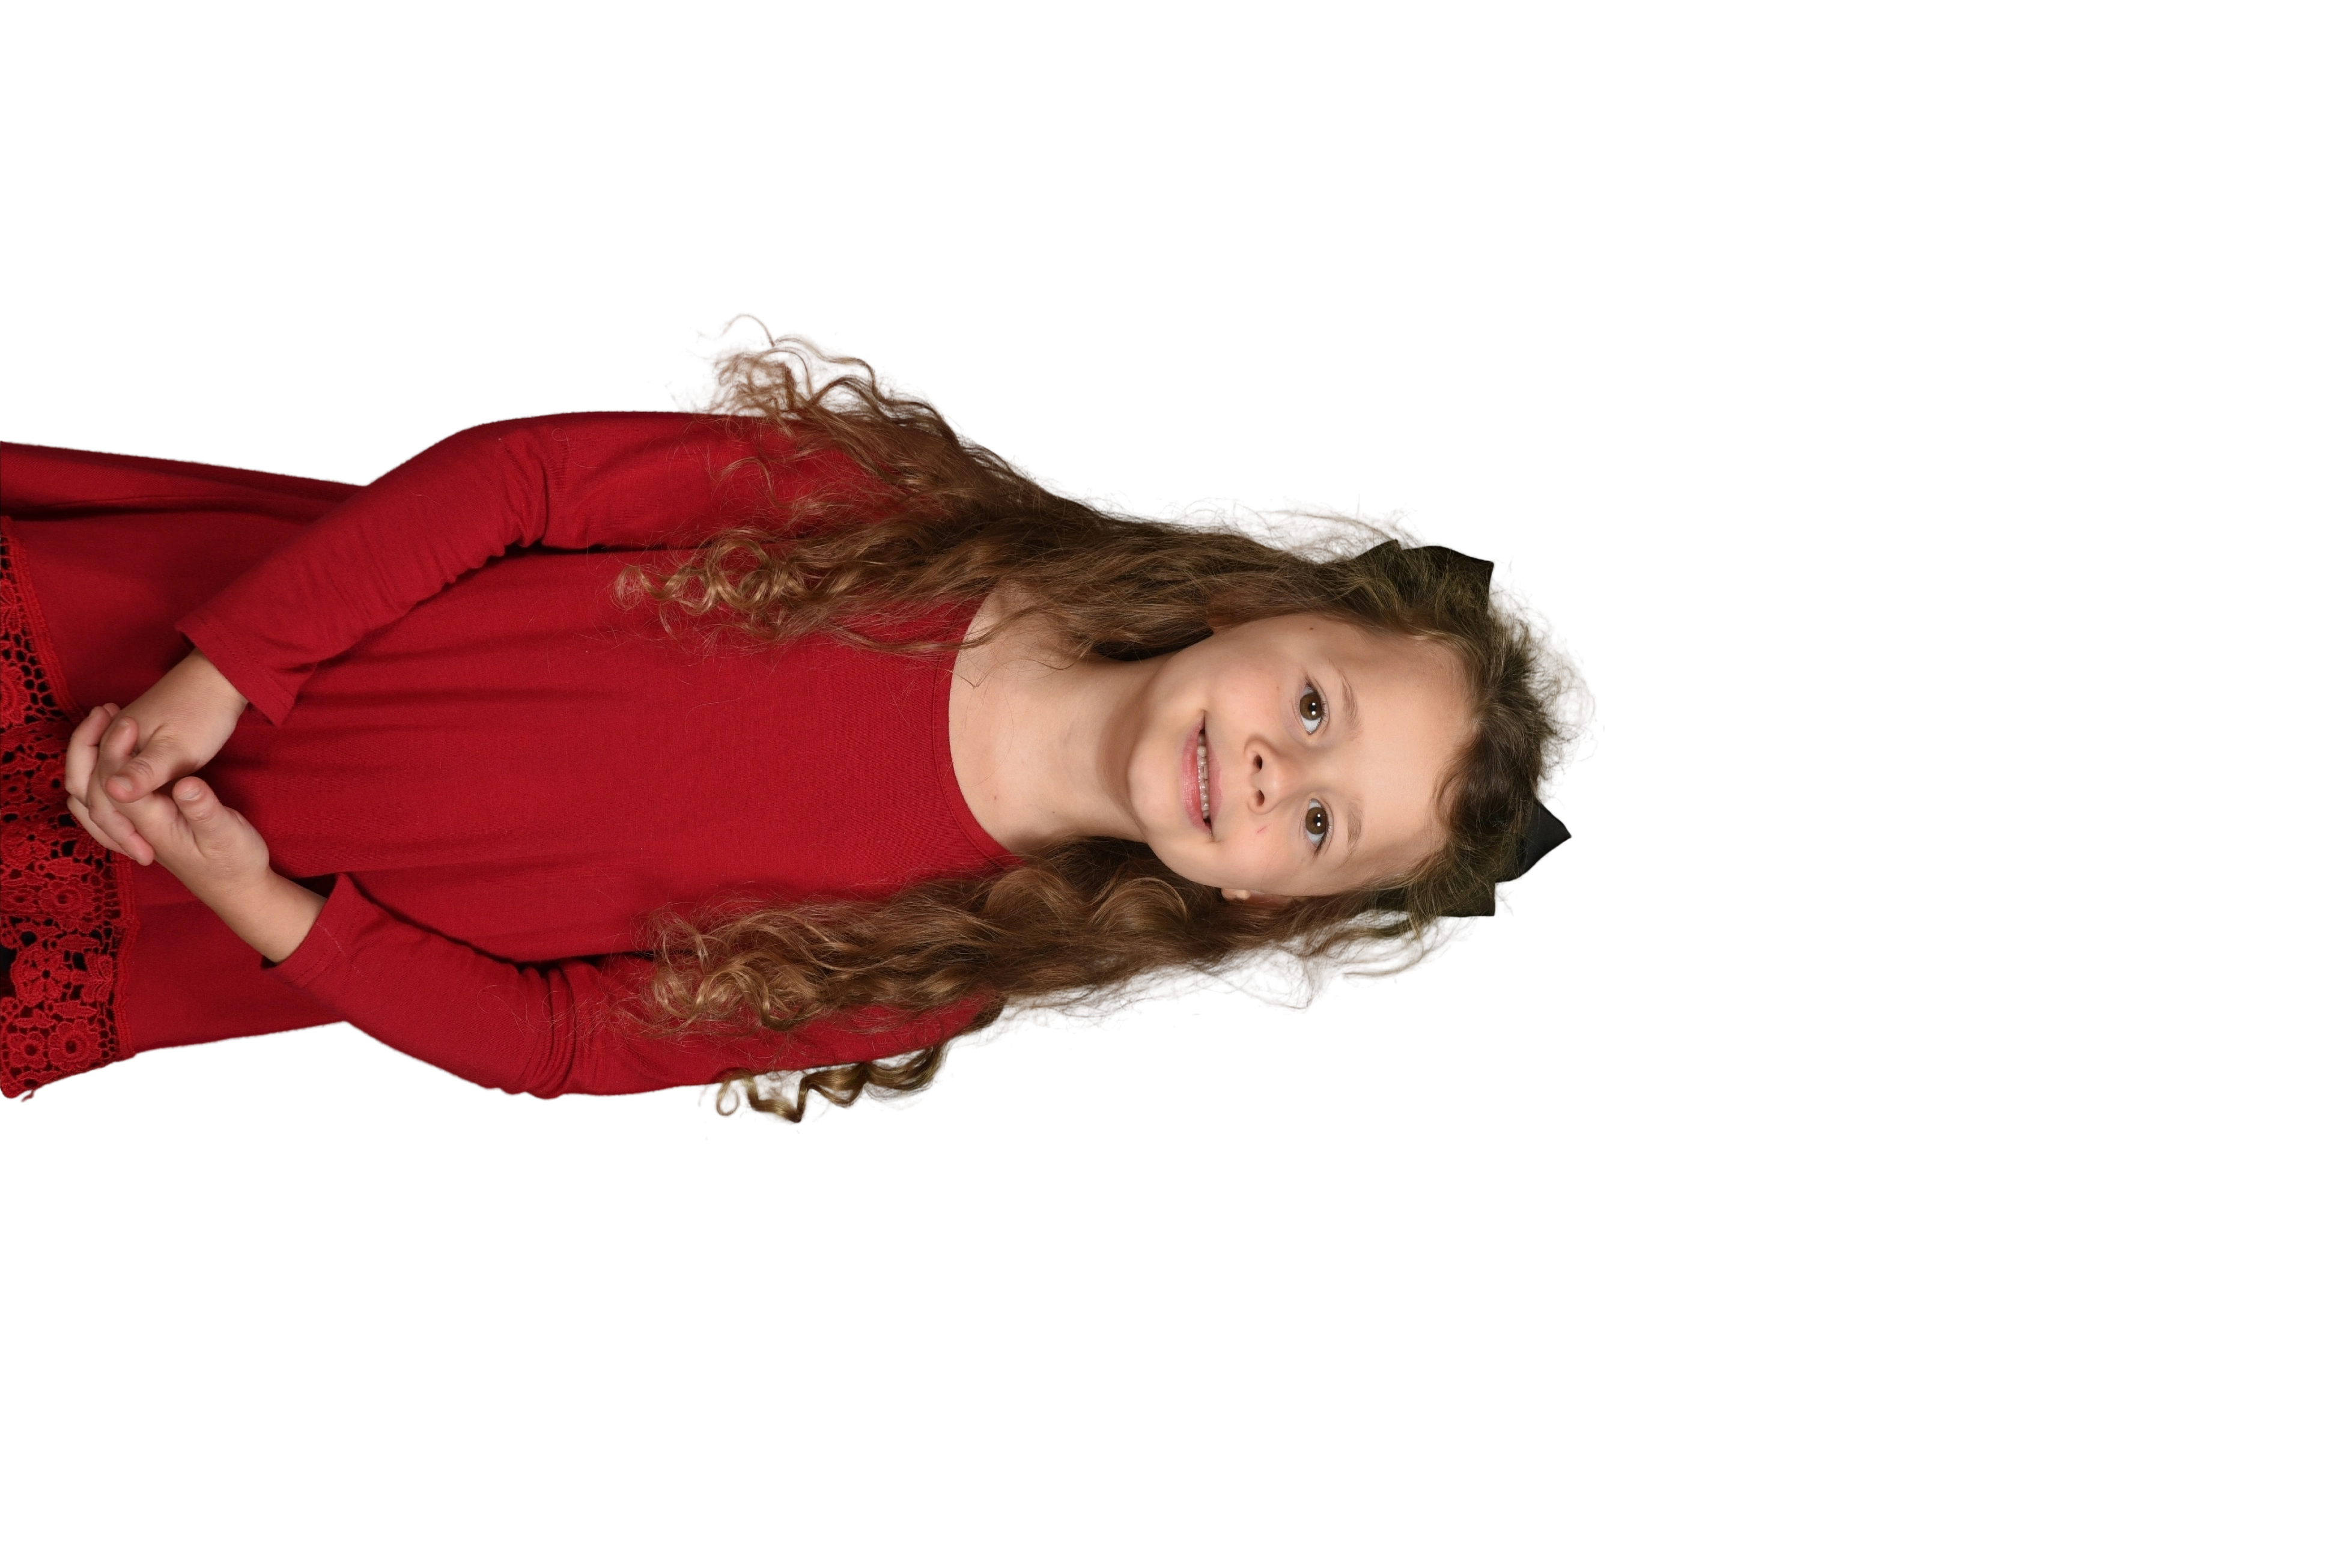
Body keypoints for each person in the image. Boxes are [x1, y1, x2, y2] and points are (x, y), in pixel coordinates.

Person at [3, 315, 1603, 1126]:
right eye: (1314, 706)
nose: (1270, 769)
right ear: (1268, 596)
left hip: (164, 905)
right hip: (132, 641)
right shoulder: (876, 520)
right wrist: (229, 669)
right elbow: (524, 480)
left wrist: (258, 903)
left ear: (1267, 905)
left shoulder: (926, 971)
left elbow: (565, 1043)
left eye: (1318, 821)